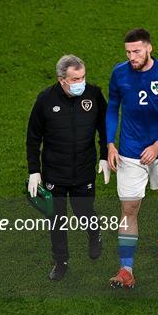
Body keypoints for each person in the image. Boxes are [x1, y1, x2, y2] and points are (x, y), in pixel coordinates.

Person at [106, 28, 158, 288]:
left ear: (149, 47)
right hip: (129, 152)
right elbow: (112, 110)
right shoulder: (119, 73)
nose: (132, 56)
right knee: (128, 208)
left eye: (137, 51)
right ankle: (126, 269)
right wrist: (110, 144)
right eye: (128, 52)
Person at [26, 55, 111, 281]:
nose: (80, 83)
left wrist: (104, 156)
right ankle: (61, 261)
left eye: (83, 77)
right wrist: (34, 171)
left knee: (83, 211)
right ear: (61, 79)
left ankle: (94, 233)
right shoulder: (45, 100)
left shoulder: (93, 95)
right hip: (55, 172)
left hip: (84, 170)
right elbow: (33, 137)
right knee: (56, 219)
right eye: (75, 79)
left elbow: (105, 127)